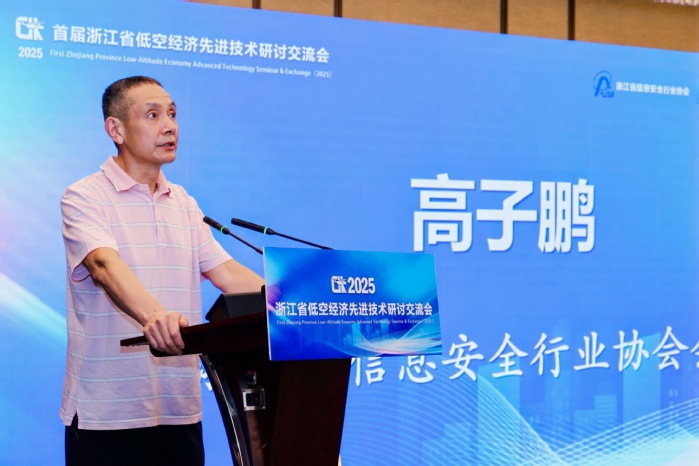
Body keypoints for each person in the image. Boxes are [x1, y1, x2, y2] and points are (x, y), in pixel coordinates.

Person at [60, 76, 264, 466]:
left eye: (172, 114)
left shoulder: (182, 202)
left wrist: (290, 304)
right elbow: (103, 265)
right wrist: (155, 316)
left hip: (178, 409)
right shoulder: (85, 197)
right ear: (116, 130)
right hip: (107, 415)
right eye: (153, 115)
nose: (169, 126)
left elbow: (226, 273)